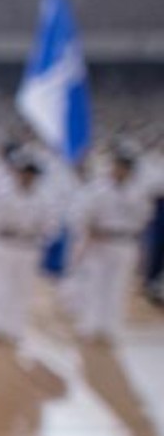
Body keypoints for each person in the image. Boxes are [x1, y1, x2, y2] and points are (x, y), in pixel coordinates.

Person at [62, 142, 154, 343]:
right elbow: (78, 215)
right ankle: (90, 326)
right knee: (95, 284)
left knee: (118, 286)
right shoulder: (97, 189)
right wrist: (87, 232)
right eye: (119, 165)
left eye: (125, 166)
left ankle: (111, 328)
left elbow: (144, 218)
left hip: (125, 241)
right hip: (100, 242)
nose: (121, 170)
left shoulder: (138, 192)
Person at [0, 153, 51, 344]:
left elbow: (50, 226)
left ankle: (14, 328)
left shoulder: (42, 200)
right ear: (16, 173)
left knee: (22, 288)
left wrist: (36, 234)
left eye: (31, 173)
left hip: (28, 247)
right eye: (24, 172)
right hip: (4, 245)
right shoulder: (2, 196)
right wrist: (3, 229)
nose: (27, 177)